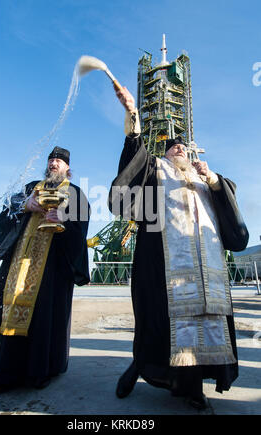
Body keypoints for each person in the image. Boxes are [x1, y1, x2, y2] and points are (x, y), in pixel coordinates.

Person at [108, 87, 249, 409]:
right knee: (156, 323)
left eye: (182, 148)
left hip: (204, 276)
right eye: (173, 149)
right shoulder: (155, 170)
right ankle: (137, 367)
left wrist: (213, 179)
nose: (178, 151)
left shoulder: (207, 181)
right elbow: (132, 170)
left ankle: (192, 386)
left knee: (201, 324)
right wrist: (133, 121)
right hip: (161, 265)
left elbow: (234, 223)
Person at [0, 146, 90, 393]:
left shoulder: (75, 193)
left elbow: (81, 228)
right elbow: (7, 204)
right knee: (11, 309)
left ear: (68, 168)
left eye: (59, 161)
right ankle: (7, 372)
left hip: (52, 266)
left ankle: (41, 371)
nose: (54, 163)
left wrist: (64, 220)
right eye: (51, 160)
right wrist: (26, 204)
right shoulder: (31, 188)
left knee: (44, 316)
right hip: (19, 262)